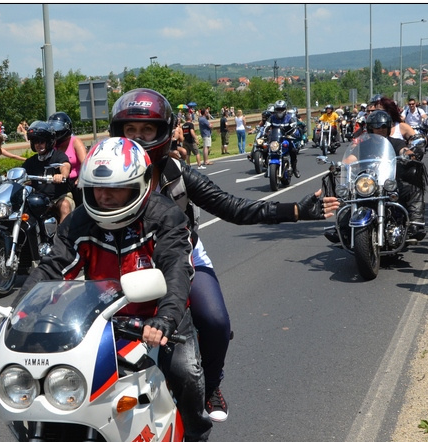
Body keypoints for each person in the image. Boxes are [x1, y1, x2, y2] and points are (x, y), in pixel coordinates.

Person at [109, 88, 339, 424]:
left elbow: (233, 207)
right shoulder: (104, 173)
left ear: (163, 131)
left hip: (184, 260)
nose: (139, 138)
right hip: (122, 263)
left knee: (216, 321)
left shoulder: (176, 174)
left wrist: (295, 210)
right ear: (119, 133)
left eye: (147, 130)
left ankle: (212, 384)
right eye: (131, 130)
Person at [17, 137, 215, 442]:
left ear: (138, 186)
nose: (103, 197)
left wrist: (166, 318)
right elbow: (51, 269)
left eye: (116, 190)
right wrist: (19, 314)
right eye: (96, 189)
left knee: (184, 370)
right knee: (56, 381)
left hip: (159, 319)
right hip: (102, 319)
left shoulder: (165, 216)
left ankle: (198, 439)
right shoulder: (80, 221)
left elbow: (177, 270)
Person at [325, 110, 428, 243]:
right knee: (345, 194)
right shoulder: (363, 145)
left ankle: (416, 224)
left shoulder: (395, 142)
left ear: (388, 128)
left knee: (413, 188)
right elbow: (351, 158)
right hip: (368, 183)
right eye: (376, 127)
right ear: (371, 129)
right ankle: (342, 229)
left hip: (389, 182)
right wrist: (340, 165)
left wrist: (409, 154)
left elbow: (404, 150)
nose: (380, 130)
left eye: (383, 127)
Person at [22, 120, 73, 223]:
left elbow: (65, 165)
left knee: (65, 206)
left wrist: (62, 175)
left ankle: (63, 237)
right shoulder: (30, 162)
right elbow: (21, 172)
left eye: (41, 141)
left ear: (49, 141)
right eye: (35, 142)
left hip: (59, 197)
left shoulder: (58, 156)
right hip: (39, 199)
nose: (38, 145)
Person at [48, 111, 87, 206]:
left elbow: (85, 162)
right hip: (58, 180)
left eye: (57, 128)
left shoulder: (75, 141)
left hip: (75, 181)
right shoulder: (52, 144)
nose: (55, 131)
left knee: (80, 197)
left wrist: (81, 178)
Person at [266, 100, 301, 178]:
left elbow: (294, 127)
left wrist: (293, 133)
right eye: (278, 109)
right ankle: (267, 168)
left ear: (285, 109)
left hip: (286, 138)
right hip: (275, 139)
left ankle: (294, 169)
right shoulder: (272, 118)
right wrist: (265, 133)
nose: (280, 111)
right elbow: (266, 126)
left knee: (293, 150)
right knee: (266, 148)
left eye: (281, 109)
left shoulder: (289, 118)